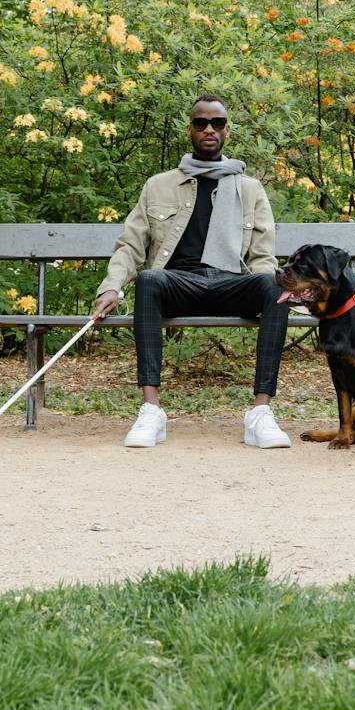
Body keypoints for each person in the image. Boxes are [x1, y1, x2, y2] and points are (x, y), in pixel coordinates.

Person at [91, 93, 293, 449]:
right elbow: (131, 244)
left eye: (217, 123)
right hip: (178, 286)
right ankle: (151, 409)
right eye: (201, 123)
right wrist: (111, 287)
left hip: (231, 283)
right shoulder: (159, 185)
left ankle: (260, 412)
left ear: (227, 129)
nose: (209, 129)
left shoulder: (249, 189)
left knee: (270, 284)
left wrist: (273, 285)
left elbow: (263, 256)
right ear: (191, 129)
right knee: (150, 278)